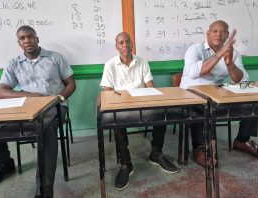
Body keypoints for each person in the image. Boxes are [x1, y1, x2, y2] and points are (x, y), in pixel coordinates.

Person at [0, 25, 76, 197]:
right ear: (19, 43)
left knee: (45, 128)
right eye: (22, 38)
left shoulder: (55, 58)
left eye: (30, 37)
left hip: (55, 106)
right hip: (26, 108)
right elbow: (2, 92)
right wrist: (29, 95)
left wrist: (57, 99)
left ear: (37, 39)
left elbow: (71, 84)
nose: (27, 41)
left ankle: (44, 191)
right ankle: (5, 162)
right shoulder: (14, 63)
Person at [100, 32, 178, 191]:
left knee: (160, 114)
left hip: (142, 105)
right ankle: (125, 164)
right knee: (116, 119)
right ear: (116, 47)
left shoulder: (142, 62)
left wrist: (151, 101)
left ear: (132, 44)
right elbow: (107, 93)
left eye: (128, 42)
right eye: (121, 43)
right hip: (121, 107)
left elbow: (150, 87)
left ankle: (156, 154)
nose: (125, 45)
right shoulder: (110, 65)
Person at [180, 20, 258, 166]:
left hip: (218, 97)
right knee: (202, 106)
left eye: (222, 31)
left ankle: (242, 140)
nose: (219, 34)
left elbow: (240, 79)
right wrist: (220, 53)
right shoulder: (195, 49)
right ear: (207, 34)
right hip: (192, 97)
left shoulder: (233, 53)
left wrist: (229, 64)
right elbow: (194, 72)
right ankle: (200, 148)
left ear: (227, 35)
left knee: (253, 103)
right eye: (215, 31)